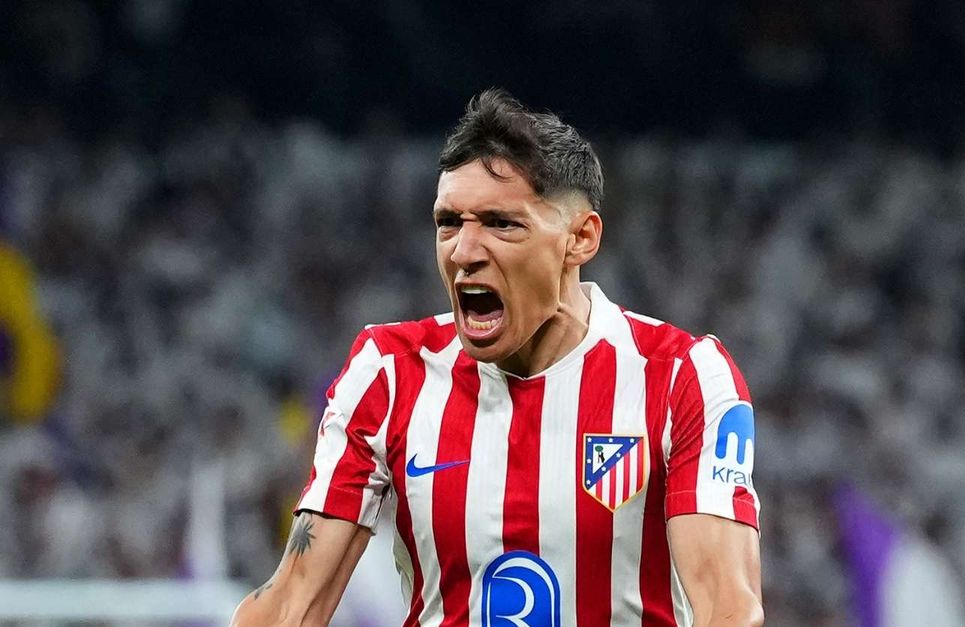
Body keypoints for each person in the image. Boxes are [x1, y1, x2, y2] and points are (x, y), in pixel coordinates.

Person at [230, 89, 763, 627]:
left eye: (501, 223)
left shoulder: (681, 376)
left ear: (580, 238)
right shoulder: (390, 373)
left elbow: (728, 609)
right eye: (448, 222)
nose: (463, 251)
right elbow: (290, 605)